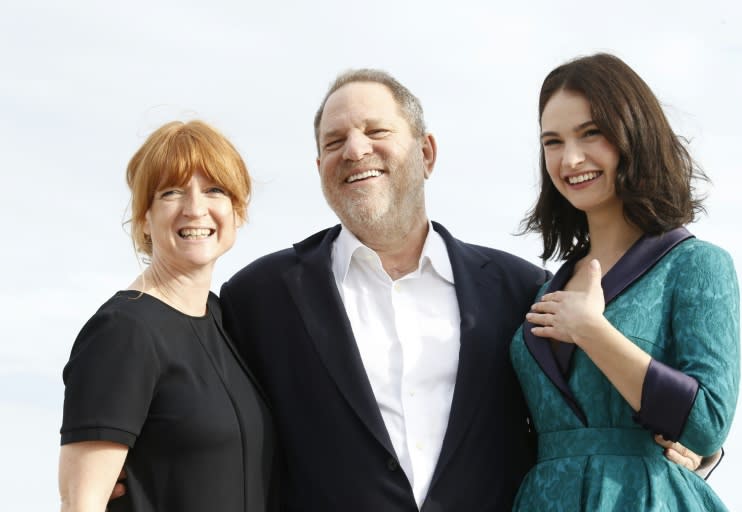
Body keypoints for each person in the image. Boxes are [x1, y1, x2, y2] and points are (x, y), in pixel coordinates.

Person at [217, 69, 705, 511]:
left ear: (426, 152)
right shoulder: (258, 297)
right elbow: (208, 419)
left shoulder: (522, 292)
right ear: (319, 164)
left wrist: (694, 442)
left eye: (376, 131)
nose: (354, 149)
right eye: (335, 140)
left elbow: (583, 413)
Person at [510, 53, 739, 511]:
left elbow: (708, 422)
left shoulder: (696, 265)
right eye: (552, 142)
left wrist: (592, 331)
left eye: (591, 133)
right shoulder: (542, 287)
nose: (570, 158)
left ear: (634, 134)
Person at [58, 121, 276, 512]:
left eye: (214, 190)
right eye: (171, 193)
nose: (195, 209)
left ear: (237, 211)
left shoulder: (227, 323)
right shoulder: (124, 332)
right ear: (144, 217)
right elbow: (81, 503)